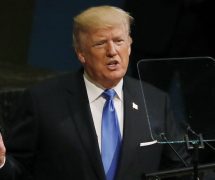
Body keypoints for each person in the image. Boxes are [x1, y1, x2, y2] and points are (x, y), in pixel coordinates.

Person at [0, 5, 190, 180]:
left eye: (119, 41)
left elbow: (180, 172)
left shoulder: (155, 101)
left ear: (130, 46)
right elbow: (18, 171)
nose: (112, 51)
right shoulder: (41, 102)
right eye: (100, 44)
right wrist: (1, 162)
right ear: (81, 53)